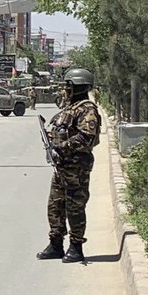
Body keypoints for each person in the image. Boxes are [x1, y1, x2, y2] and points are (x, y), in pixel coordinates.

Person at [36, 68, 102, 263]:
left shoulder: (87, 109)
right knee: (55, 206)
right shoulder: (70, 108)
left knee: (75, 207)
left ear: (75, 87)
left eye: (67, 86)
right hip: (62, 166)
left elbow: (86, 137)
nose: (64, 90)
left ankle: (76, 247)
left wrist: (62, 147)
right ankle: (56, 244)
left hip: (76, 168)